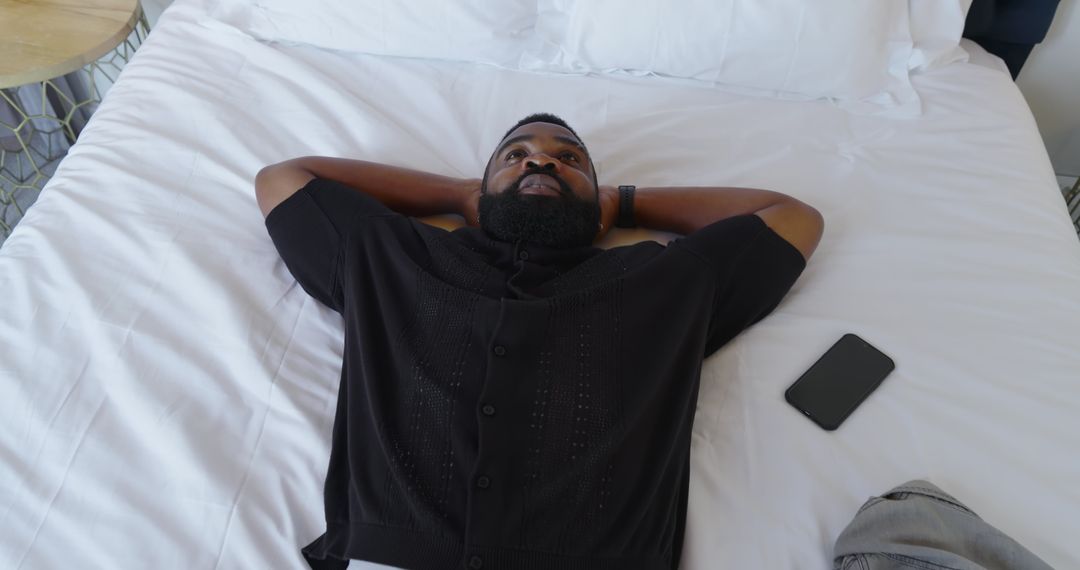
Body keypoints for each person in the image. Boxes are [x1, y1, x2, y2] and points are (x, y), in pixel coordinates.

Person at [255, 113, 823, 570]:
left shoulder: (665, 280)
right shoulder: (394, 254)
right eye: (516, 155)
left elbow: (792, 218)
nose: (542, 158)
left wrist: (624, 203)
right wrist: (457, 195)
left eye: (570, 159)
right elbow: (284, 178)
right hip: (400, 554)